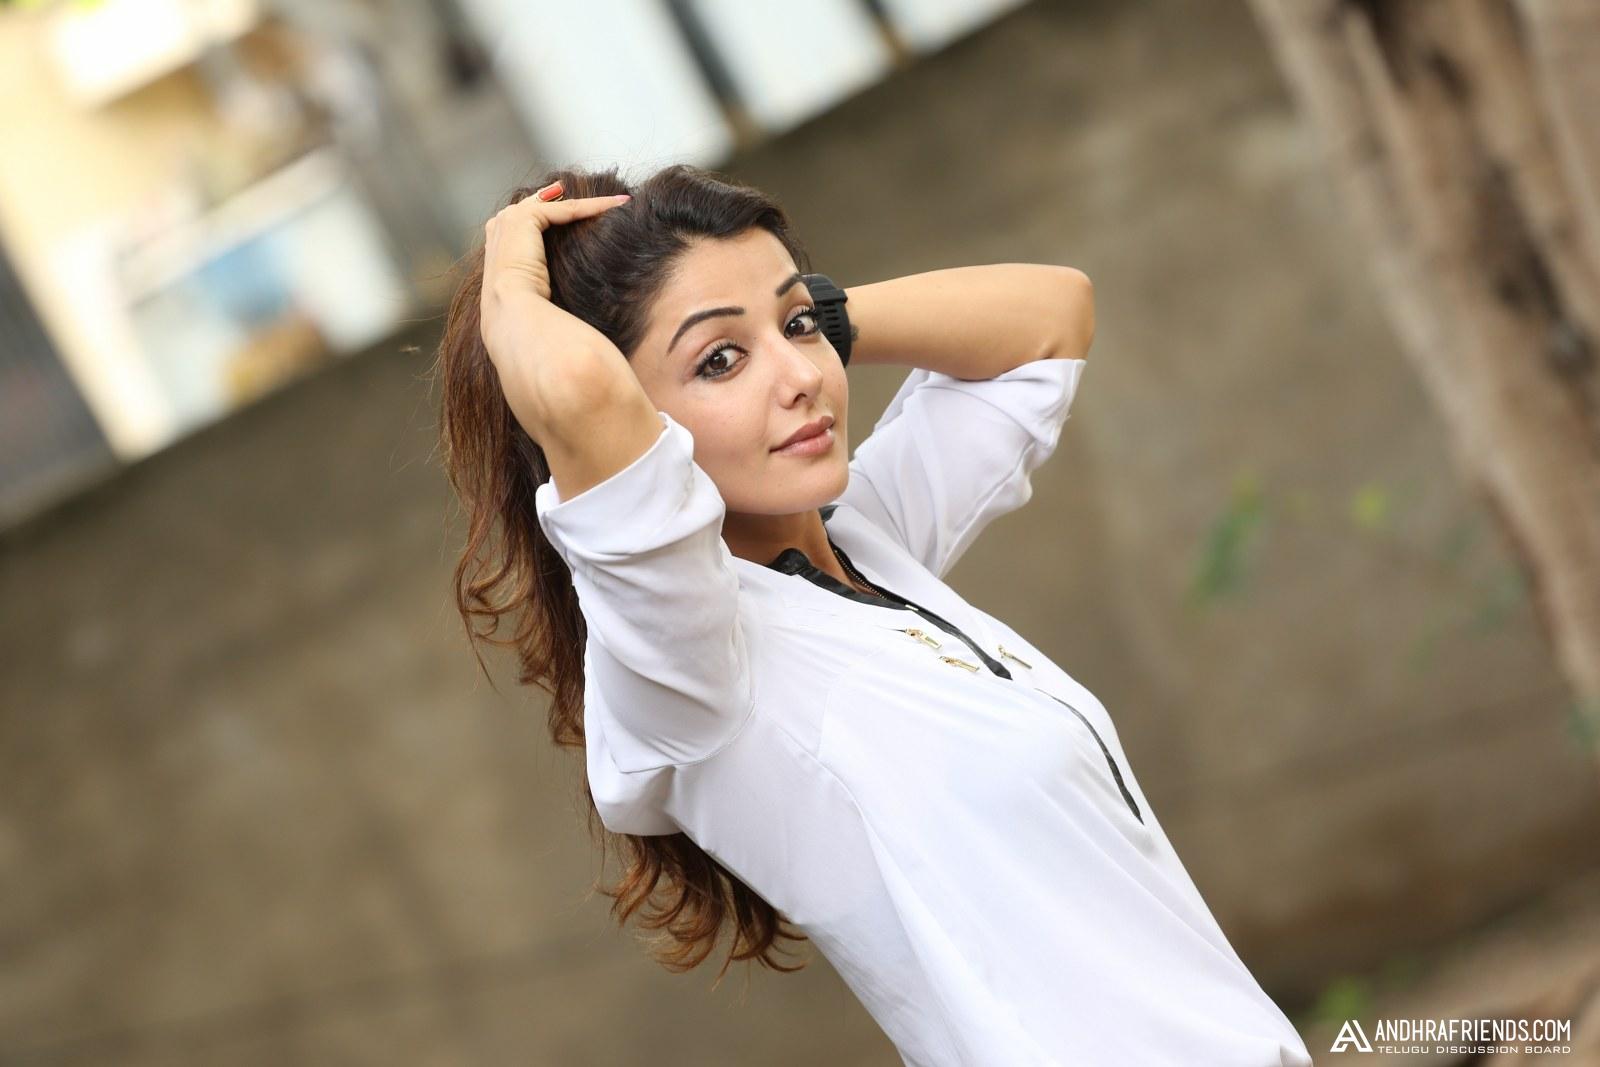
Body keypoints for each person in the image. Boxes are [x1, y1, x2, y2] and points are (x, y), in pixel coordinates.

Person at [434, 163, 1313, 1066]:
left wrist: (791, 317)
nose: (801, 378)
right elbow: (582, 393)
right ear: (633, 426)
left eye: (800, 328)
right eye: (719, 361)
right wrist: (509, 287)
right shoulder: (688, 668)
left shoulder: (866, 538)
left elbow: (1051, 318)